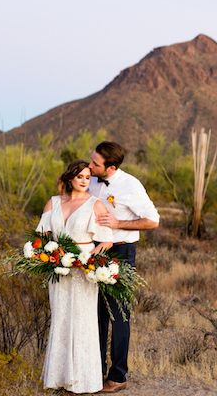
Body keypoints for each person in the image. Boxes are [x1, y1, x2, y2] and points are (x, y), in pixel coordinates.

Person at [88, 141, 159, 393]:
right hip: (93, 251)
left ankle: (118, 376)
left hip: (121, 252)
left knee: (119, 315)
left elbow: (153, 221)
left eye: (95, 163)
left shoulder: (130, 185)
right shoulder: (91, 179)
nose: (90, 165)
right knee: (96, 314)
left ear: (111, 167)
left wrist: (119, 223)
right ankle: (94, 372)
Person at [37, 160, 114, 394]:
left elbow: (107, 239)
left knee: (82, 320)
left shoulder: (96, 204)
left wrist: (90, 260)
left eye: (87, 176)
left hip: (83, 270)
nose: (84, 180)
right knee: (60, 317)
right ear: (70, 178)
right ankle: (58, 377)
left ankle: (83, 380)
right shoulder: (54, 202)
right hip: (58, 267)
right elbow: (42, 233)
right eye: (79, 176)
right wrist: (50, 253)